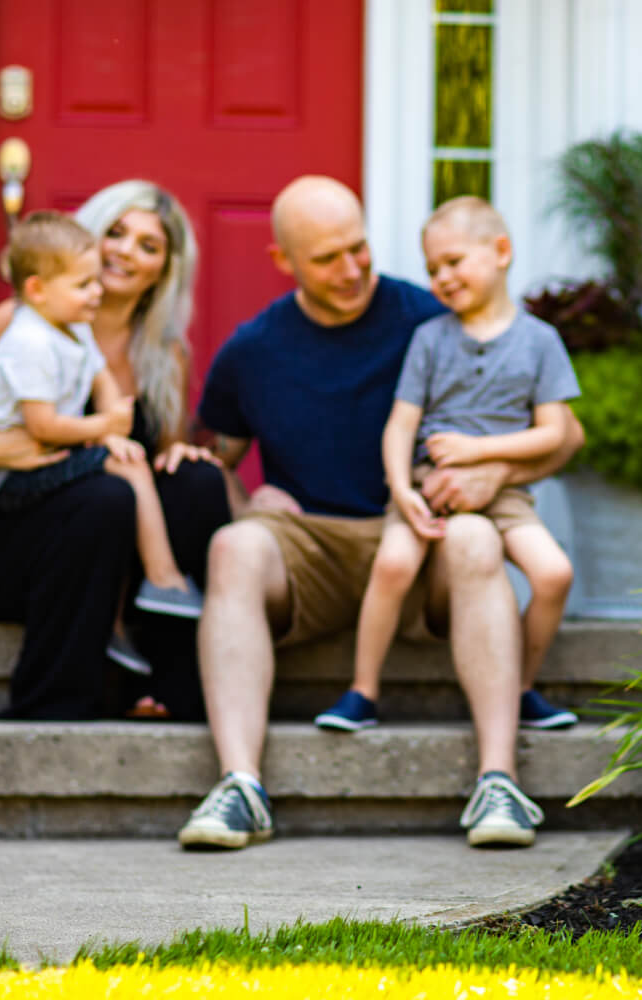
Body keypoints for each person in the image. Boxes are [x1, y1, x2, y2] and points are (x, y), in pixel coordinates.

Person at [177, 175, 584, 851]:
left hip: (428, 539)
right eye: (327, 258)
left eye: (358, 248)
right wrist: (248, 502)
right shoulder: (254, 349)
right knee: (234, 547)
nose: (351, 269)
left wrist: (496, 472)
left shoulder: (432, 318)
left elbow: (566, 435)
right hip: (313, 548)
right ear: (285, 263)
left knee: (480, 538)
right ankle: (240, 786)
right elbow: (207, 458)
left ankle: (499, 781)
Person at [0, 180, 229, 721]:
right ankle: (57, 699)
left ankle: (170, 688)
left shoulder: (164, 354)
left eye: (149, 245)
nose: (124, 251)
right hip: (11, 547)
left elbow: (160, 459)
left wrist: (184, 456)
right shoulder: (18, 324)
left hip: (111, 557)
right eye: (116, 233)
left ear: (165, 271)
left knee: (197, 485)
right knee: (105, 494)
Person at [314, 196, 578, 734]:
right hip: (426, 486)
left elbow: (553, 432)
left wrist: (479, 453)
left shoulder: (540, 341)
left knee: (554, 573)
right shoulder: (430, 338)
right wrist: (401, 490)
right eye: (433, 269)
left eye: (454, 262)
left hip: (504, 494)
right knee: (392, 565)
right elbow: (401, 424)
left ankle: (522, 688)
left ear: (500, 251)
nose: (442, 278)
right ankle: (362, 691)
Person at [0, 211, 202, 623]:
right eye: (84, 284)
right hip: (13, 484)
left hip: (65, 477)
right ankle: (164, 577)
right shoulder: (28, 337)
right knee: (119, 470)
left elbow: (101, 379)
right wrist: (104, 430)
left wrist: (114, 416)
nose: (97, 292)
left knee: (153, 476)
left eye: (148, 246)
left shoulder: (78, 329)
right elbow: (41, 427)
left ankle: (131, 622)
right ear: (38, 290)